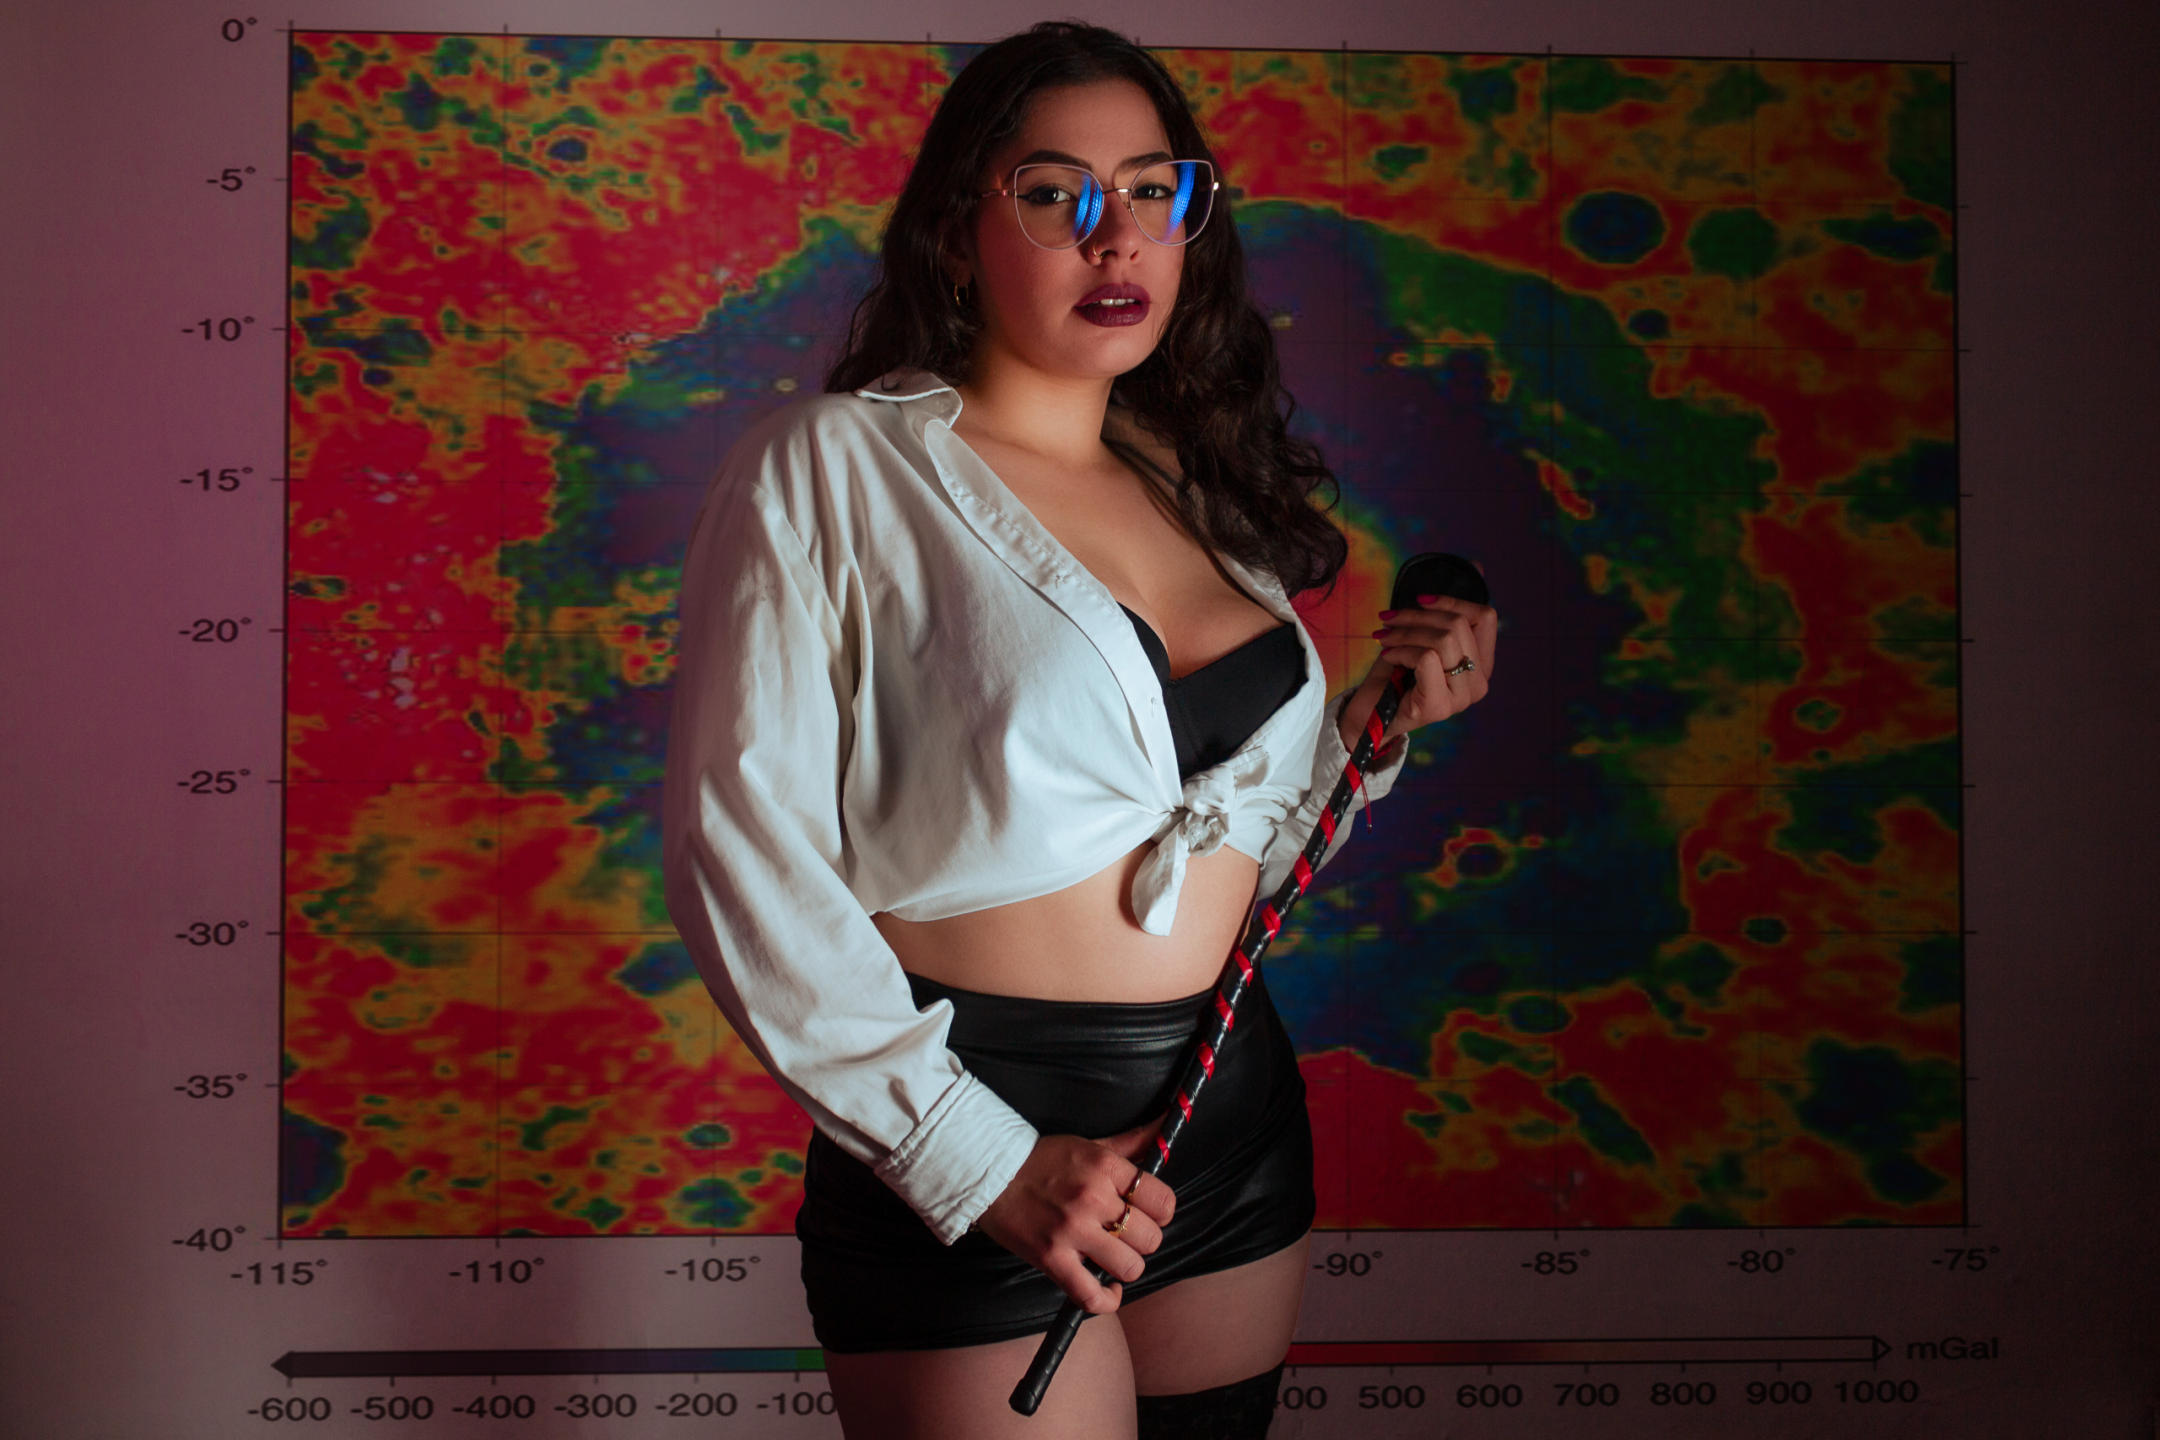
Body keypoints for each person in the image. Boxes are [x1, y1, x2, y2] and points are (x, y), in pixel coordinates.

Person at [661, 21, 1497, 1439]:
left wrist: (1369, 735)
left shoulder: (1187, 486)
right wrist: (978, 1160)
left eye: (1153, 189)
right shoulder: (833, 469)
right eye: (1055, 193)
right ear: (956, 233)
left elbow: (1225, 855)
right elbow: (739, 857)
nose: (1117, 236)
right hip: (975, 1121)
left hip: (1229, 1114)